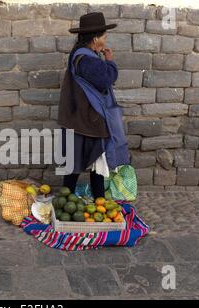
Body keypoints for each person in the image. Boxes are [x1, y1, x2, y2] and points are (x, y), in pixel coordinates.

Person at [57, 12, 130, 198]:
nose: (106, 40)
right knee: (95, 161)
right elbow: (106, 79)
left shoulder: (81, 55)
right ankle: (93, 200)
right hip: (88, 120)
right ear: (95, 38)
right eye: (104, 37)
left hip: (78, 118)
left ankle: (75, 199)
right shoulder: (87, 59)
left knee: (80, 162)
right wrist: (110, 63)